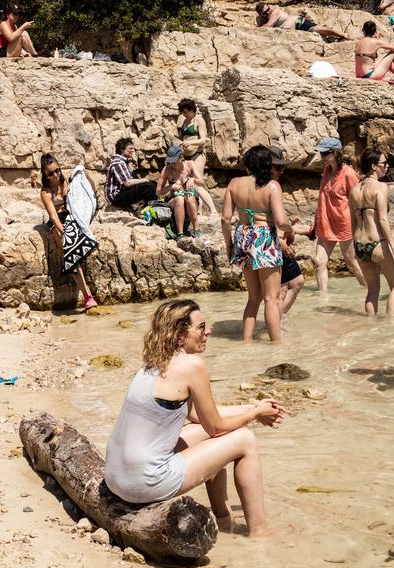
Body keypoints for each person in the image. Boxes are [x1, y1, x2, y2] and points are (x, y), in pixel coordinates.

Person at [105, 299, 285, 537]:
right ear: (179, 335)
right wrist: (254, 416)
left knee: (215, 439)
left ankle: (223, 517)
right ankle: (259, 533)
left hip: (116, 478)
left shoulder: (153, 362)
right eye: (201, 327)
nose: (208, 331)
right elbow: (216, 427)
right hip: (144, 483)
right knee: (245, 439)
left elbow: (200, 415)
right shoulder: (191, 365)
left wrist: (254, 406)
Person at [221, 145, 293, 343]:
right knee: (271, 298)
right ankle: (276, 345)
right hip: (264, 239)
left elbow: (225, 219)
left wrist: (229, 245)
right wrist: (290, 231)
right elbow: (280, 221)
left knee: (253, 298)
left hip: (242, 236)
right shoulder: (271, 186)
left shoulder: (234, 183)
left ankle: (246, 342)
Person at [39, 153, 98, 309]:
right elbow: (52, 214)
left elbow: (86, 193)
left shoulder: (65, 181)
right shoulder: (45, 192)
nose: (55, 175)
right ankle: (87, 296)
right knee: (69, 249)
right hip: (56, 221)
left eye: (57, 170)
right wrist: (63, 231)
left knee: (81, 241)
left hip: (71, 216)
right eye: (50, 173)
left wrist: (85, 176)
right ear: (45, 175)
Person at [312, 137, 366, 292]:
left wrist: (361, 226)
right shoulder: (327, 171)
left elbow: (359, 199)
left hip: (344, 225)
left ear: (335, 153)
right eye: (321, 153)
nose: (322, 156)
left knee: (351, 262)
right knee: (319, 262)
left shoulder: (348, 174)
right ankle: (323, 300)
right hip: (325, 224)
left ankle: (369, 290)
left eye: (325, 153)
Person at [349, 148, 394, 316]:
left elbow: (352, 222)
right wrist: (392, 243)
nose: (387, 166)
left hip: (360, 245)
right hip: (377, 243)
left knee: (373, 290)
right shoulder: (381, 187)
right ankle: (390, 329)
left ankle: (370, 326)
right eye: (384, 163)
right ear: (374, 166)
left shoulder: (353, 190)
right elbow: (382, 219)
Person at [268, 147, 307, 317]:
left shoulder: (270, 185)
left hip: (276, 240)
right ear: (268, 166)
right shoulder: (269, 186)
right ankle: (275, 323)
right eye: (279, 167)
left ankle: (277, 320)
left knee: (293, 284)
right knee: (286, 287)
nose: (281, 172)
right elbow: (262, 220)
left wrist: (290, 228)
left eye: (283, 168)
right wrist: (281, 241)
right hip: (273, 242)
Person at [176, 99, 218, 216]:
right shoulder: (184, 122)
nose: (184, 114)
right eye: (182, 112)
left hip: (198, 154)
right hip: (186, 156)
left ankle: (213, 210)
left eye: (185, 111)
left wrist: (191, 143)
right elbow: (183, 137)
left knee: (197, 183)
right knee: (188, 184)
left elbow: (203, 139)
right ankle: (198, 210)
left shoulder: (199, 120)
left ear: (191, 109)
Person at [157, 145, 204, 238]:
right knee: (180, 198)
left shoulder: (190, 164)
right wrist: (171, 186)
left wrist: (192, 180)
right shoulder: (167, 170)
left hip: (190, 199)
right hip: (174, 200)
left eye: (174, 161)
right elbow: (158, 192)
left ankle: (196, 229)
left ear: (181, 157)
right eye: (170, 162)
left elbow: (201, 182)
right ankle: (180, 233)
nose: (172, 164)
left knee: (189, 197)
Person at [104, 138, 159, 210]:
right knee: (148, 187)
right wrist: (145, 179)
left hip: (121, 193)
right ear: (122, 150)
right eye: (130, 149)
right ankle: (150, 211)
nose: (132, 150)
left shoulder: (123, 162)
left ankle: (147, 208)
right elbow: (127, 183)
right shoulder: (118, 163)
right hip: (116, 197)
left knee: (153, 184)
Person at [254, 3, 349, 41]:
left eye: (268, 9)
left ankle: (341, 34)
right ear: (261, 14)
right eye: (265, 12)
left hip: (298, 22)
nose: (268, 11)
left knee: (316, 29)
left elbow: (269, 26)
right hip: (294, 30)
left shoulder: (275, 12)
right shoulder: (264, 18)